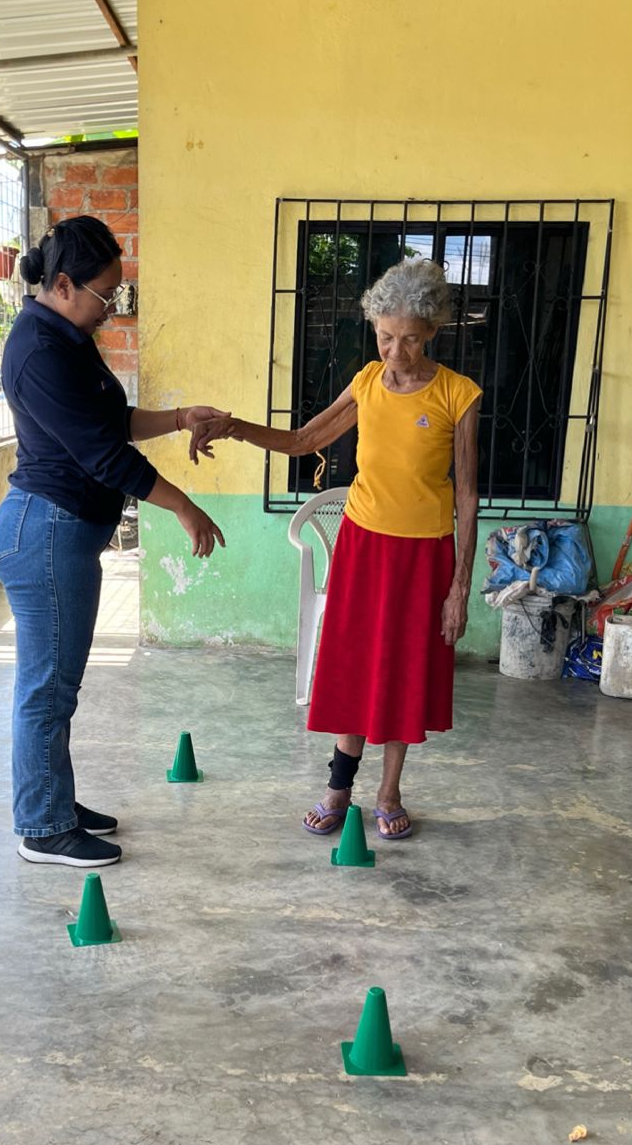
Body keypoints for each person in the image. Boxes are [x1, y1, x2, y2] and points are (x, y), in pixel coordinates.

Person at [190, 257, 481, 840]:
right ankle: (338, 788)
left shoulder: (458, 394)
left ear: (432, 332)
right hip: (363, 546)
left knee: (404, 673)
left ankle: (389, 792)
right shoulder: (367, 382)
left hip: (424, 556)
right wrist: (233, 427)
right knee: (353, 666)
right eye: (385, 337)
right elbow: (303, 440)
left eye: (409, 339)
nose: (395, 352)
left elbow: (468, 495)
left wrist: (459, 589)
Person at [0, 216, 226, 868]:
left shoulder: (66, 337)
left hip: (58, 533)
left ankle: (54, 804)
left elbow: (110, 421)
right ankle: (43, 827)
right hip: (45, 534)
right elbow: (103, 456)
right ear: (64, 284)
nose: (111, 308)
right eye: (105, 294)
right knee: (46, 689)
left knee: (56, 687)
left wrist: (179, 417)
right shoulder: (39, 351)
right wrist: (183, 507)